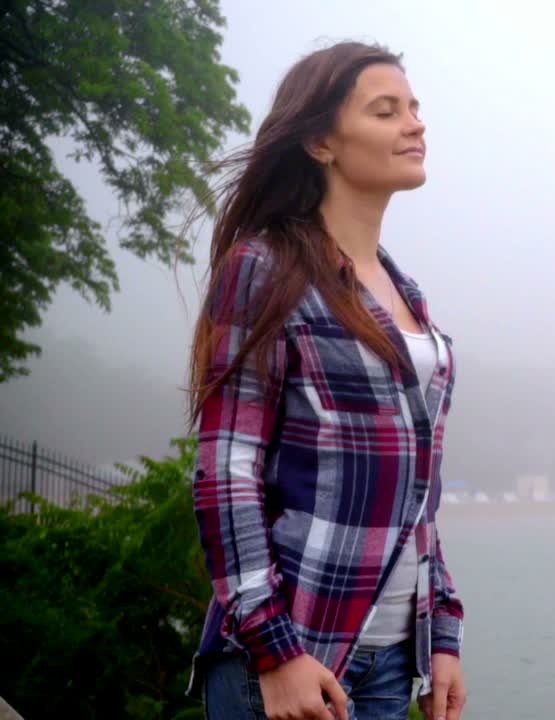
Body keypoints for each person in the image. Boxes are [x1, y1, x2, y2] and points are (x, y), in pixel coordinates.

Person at [183, 41, 467, 720]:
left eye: (415, 108)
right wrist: (274, 653)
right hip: (293, 655)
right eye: (385, 110)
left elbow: (415, 496)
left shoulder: (407, 294)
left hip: (390, 660)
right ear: (320, 142)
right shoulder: (266, 268)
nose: (415, 124)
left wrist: (443, 632)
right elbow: (227, 470)